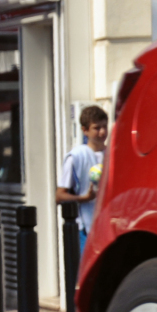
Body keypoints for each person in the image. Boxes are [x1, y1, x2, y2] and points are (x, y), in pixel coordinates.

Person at [56, 105, 108, 254]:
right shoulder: (76, 157)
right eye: (96, 128)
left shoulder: (113, 153)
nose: (103, 132)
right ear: (84, 130)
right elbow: (59, 196)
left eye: (105, 126)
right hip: (86, 227)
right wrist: (84, 198)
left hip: (109, 224)